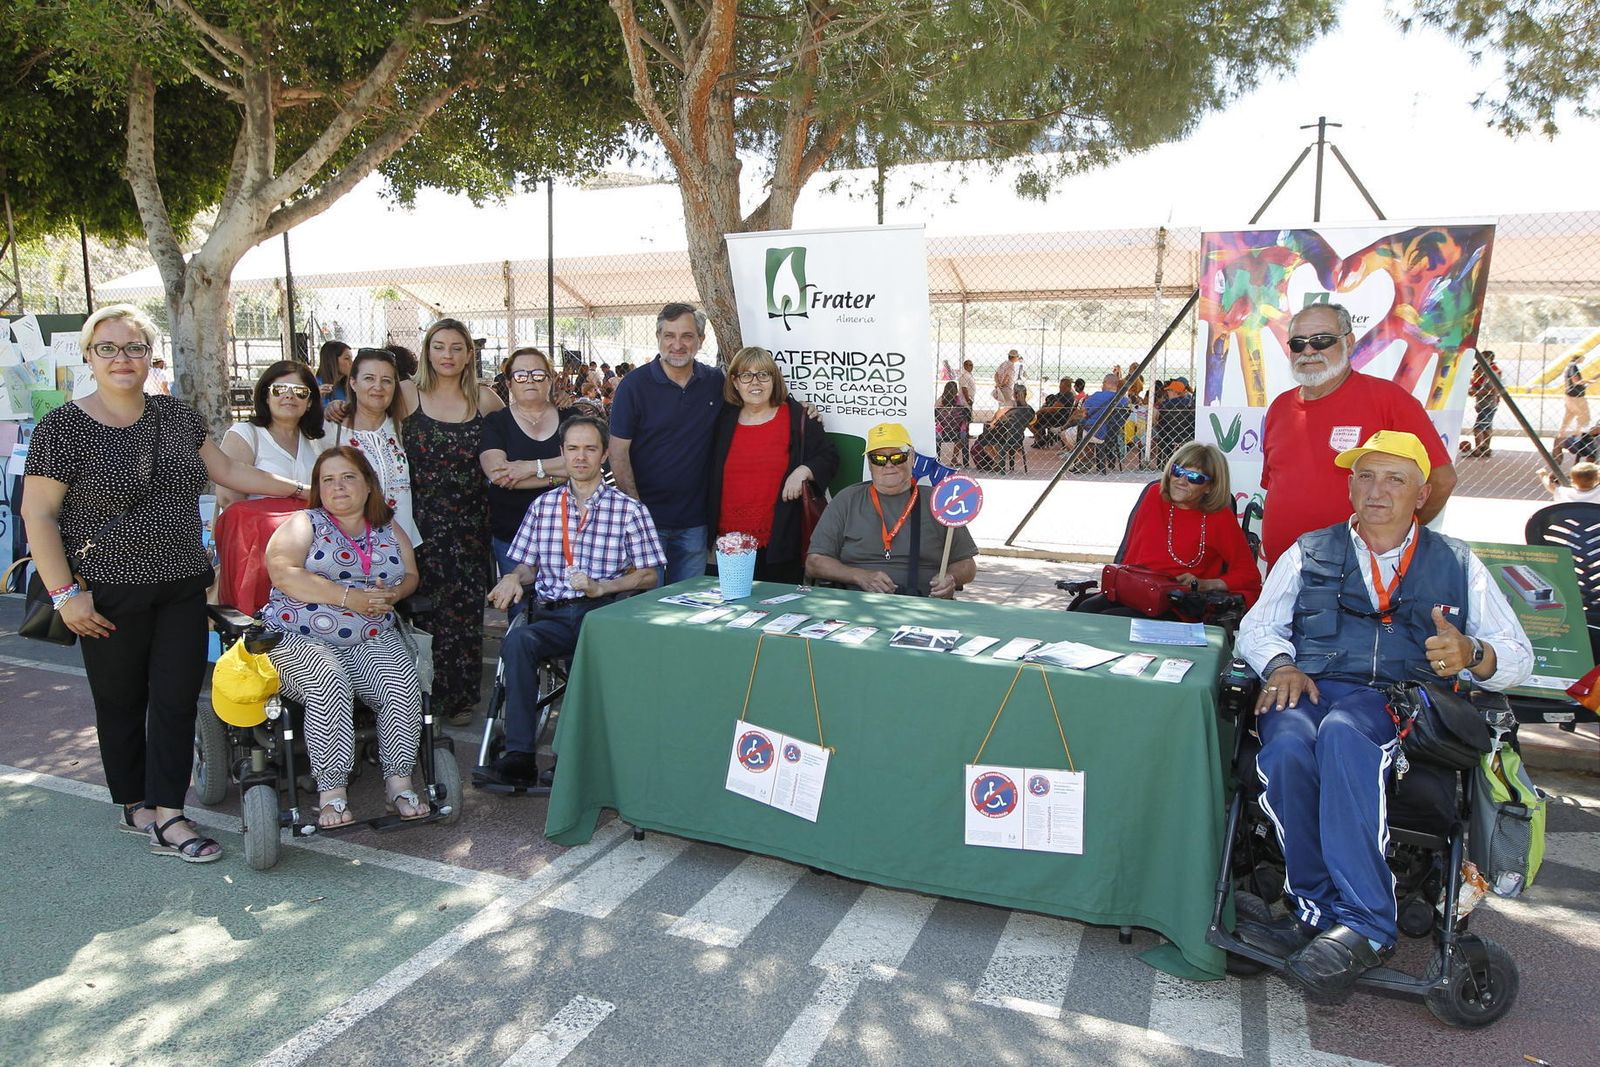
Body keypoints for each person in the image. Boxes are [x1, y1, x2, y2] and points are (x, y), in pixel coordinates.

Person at [1234, 430, 1531, 995]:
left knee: (1346, 735)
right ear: (1350, 484)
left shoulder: (1458, 563)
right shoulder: (1309, 550)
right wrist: (1278, 664)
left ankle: (1368, 924)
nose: (1377, 489)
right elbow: (1260, 625)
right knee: (1289, 742)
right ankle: (1319, 911)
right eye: (1366, 475)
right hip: (1313, 687)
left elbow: (1518, 657)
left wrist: (1474, 654)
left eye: (1395, 478)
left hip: (1402, 701)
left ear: (1420, 494)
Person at [20, 304, 309, 864]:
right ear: (89, 356)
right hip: (105, 592)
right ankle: (134, 804)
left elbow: (227, 472)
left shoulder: (175, 416)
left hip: (180, 583)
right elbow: (39, 516)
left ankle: (169, 814)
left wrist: (301, 489)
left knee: (175, 700)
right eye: (108, 348)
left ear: (150, 357)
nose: (121, 359)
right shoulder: (63, 427)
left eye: (132, 348)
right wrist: (63, 594)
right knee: (121, 702)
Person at [485, 417, 665, 785]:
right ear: (562, 454)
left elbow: (649, 575)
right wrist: (511, 577)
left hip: (602, 615)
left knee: (592, 645)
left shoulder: (629, 510)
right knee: (517, 642)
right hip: (552, 615)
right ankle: (519, 755)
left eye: (589, 448)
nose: (580, 457)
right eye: (572, 449)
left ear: (602, 454)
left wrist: (603, 587)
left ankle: (570, 755)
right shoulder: (542, 506)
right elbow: (527, 567)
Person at [262, 447, 428, 826]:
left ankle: (399, 785)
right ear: (319, 489)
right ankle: (332, 793)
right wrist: (348, 598)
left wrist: (395, 593)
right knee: (328, 682)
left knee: (401, 681)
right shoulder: (305, 523)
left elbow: (411, 575)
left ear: (368, 484)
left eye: (348, 477)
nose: (338, 487)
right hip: (300, 635)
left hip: (370, 634)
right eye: (328, 480)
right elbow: (282, 571)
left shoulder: (388, 527)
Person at [1259, 302, 1455, 566]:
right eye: (1298, 343)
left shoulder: (1389, 400)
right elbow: (1275, 484)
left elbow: (1441, 479)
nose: (1308, 351)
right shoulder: (1280, 408)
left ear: (1349, 343)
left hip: (1358, 580)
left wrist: (1395, 536)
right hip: (1283, 572)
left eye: (1321, 340)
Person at [608, 302, 725, 586]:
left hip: (695, 522)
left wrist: (803, 410)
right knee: (647, 607)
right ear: (658, 338)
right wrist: (636, 513)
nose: (677, 344)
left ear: (700, 340)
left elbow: (757, 405)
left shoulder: (715, 383)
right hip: (648, 521)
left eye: (686, 336)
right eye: (669, 335)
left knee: (690, 604)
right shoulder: (634, 386)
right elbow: (618, 452)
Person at [1073, 442, 1260, 616]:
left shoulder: (1219, 517)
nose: (1181, 480)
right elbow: (1132, 556)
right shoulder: (1154, 496)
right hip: (1136, 591)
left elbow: (1248, 575)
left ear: (1209, 487)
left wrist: (1205, 584)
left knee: (1110, 620)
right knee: (1083, 610)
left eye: (1194, 477)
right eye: (1177, 471)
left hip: (1177, 603)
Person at [707, 347, 838, 584]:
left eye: (763, 375)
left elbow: (828, 455)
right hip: (728, 543)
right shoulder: (722, 420)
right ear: (735, 382)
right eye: (746, 375)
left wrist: (803, 471)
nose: (755, 382)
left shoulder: (797, 416)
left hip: (781, 541)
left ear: (774, 379)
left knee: (778, 612)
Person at [806, 422, 978, 598]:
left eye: (897, 457)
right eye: (878, 459)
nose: (888, 465)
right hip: (856, 601)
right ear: (869, 463)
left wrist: (951, 578)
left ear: (911, 457)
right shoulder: (847, 500)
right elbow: (814, 563)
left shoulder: (940, 501)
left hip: (924, 602)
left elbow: (967, 564)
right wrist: (859, 576)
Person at [480, 347, 571, 579]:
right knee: (520, 605)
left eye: (538, 374)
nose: (530, 380)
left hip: (569, 532)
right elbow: (500, 475)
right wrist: (558, 477)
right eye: (520, 375)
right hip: (514, 533)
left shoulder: (571, 418)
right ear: (509, 383)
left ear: (550, 380)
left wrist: (529, 467)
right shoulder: (497, 422)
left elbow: (587, 464)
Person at [328, 348, 421, 545]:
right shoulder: (331, 431)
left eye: (387, 380)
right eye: (369, 378)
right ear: (353, 382)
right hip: (349, 547)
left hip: (403, 545)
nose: (378, 386)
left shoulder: (404, 428)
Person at [216, 360, 327, 510]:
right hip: (259, 530)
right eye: (279, 389)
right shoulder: (245, 434)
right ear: (266, 397)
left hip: (311, 530)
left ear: (309, 402)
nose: (289, 396)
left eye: (300, 391)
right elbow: (228, 498)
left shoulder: (316, 442)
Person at [971, 384, 1035, 472]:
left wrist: (994, 422)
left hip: (1004, 435)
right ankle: (998, 461)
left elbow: (1001, 420)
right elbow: (1030, 422)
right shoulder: (1030, 410)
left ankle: (997, 460)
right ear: (1026, 394)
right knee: (992, 434)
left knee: (983, 438)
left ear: (1014, 395)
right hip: (1018, 437)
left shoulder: (1012, 409)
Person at [1079, 374, 1129, 471]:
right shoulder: (1124, 401)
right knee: (1086, 434)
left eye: (1103, 383)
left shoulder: (1097, 396)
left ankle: (1085, 459)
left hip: (1094, 432)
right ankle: (1088, 458)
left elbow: (1083, 412)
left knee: (1066, 433)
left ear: (1106, 383)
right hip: (1112, 435)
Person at [1466, 351, 1500, 457]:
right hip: (1486, 403)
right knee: (1487, 426)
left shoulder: (1491, 374)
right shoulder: (1484, 375)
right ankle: (1486, 447)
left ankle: (1478, 448)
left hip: (1488, 404)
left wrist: (1476, 393)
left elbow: (1493, 391)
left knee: (1478, 427)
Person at [1031, 377, 1078, 448]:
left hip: (1060, 418)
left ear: (1068, 387)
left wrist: (1041, 410)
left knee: (1037, 418)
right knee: (1037, 418)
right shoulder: (1062, 394)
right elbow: (1052, 401)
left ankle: (1041, 439)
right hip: (1055, 416)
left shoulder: (1068, 395)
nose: (1060, 388)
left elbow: (1054, 409)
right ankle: (1041, 439)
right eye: (1060, 386)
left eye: (1062, 387)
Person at [1558, 350, 1591, 449]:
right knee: (1584, 416)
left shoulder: (1568, 366)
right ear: (1580, 357)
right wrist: (1588, 381)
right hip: (1576, 397)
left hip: (1569, 396)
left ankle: (1560, 436)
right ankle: (1578, 437)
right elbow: (1576, 380)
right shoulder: (1573, 366)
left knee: (1568, 417)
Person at [934, 380, 972, 465]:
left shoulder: (940, 400)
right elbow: (968, 415)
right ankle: (954, 459)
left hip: (942, 432)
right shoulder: (960, 400)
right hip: (957, 432)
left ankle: (937, 460)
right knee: (963, 432)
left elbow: (934, 415)